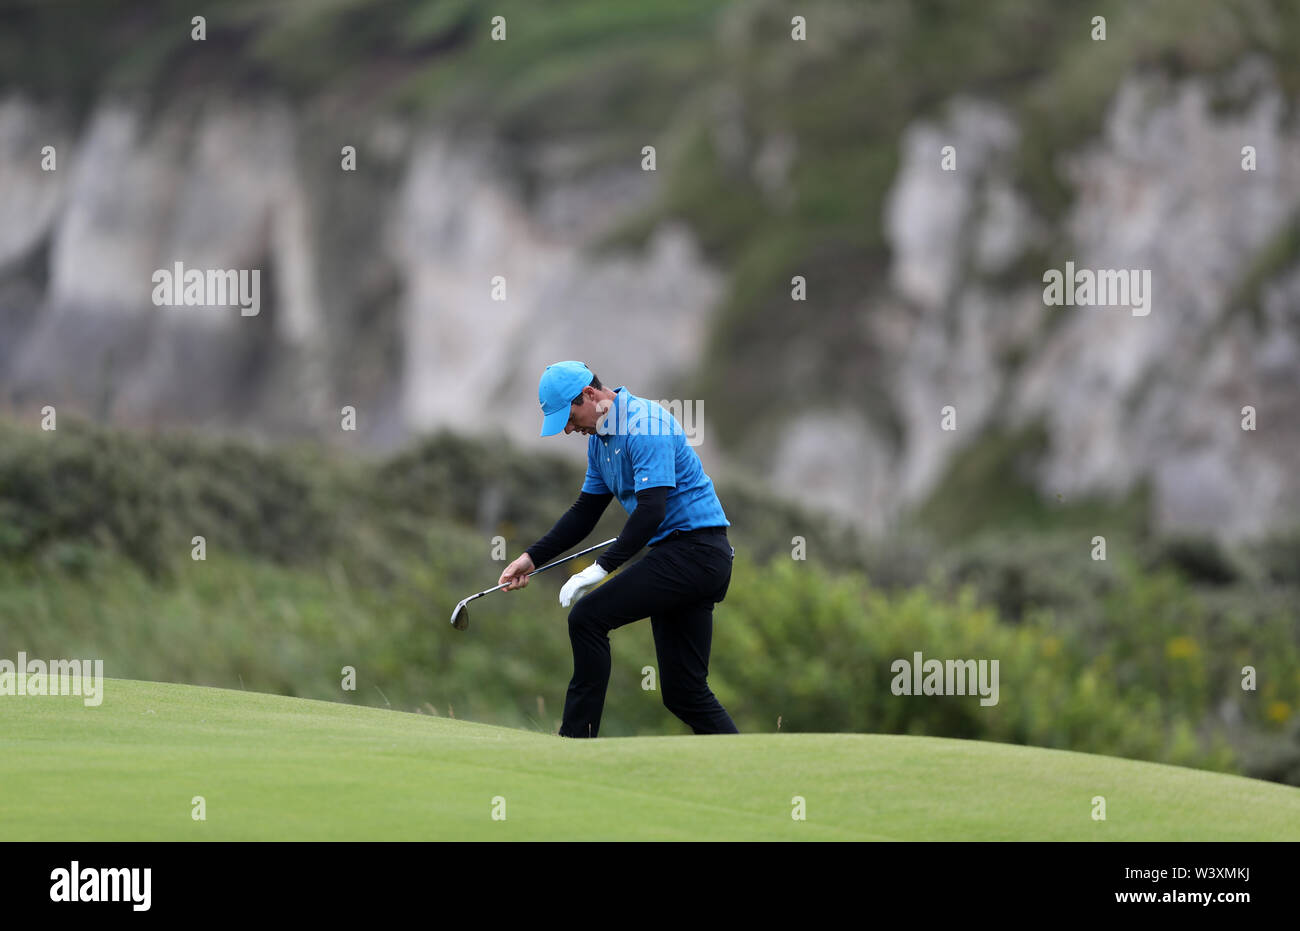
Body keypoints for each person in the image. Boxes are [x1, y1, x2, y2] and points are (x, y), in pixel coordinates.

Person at [498, 360, 739, 738]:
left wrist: (600, 568)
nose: (569, 428)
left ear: (591, 395)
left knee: (587, 618)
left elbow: (651, 512)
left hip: (697, 552)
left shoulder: (645, 423)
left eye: (571, 416)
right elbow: (584, 513)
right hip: (682, 556)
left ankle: (576, 742)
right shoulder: (599, 441)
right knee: (684, 694)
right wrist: (530, 558)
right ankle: (744, 768)